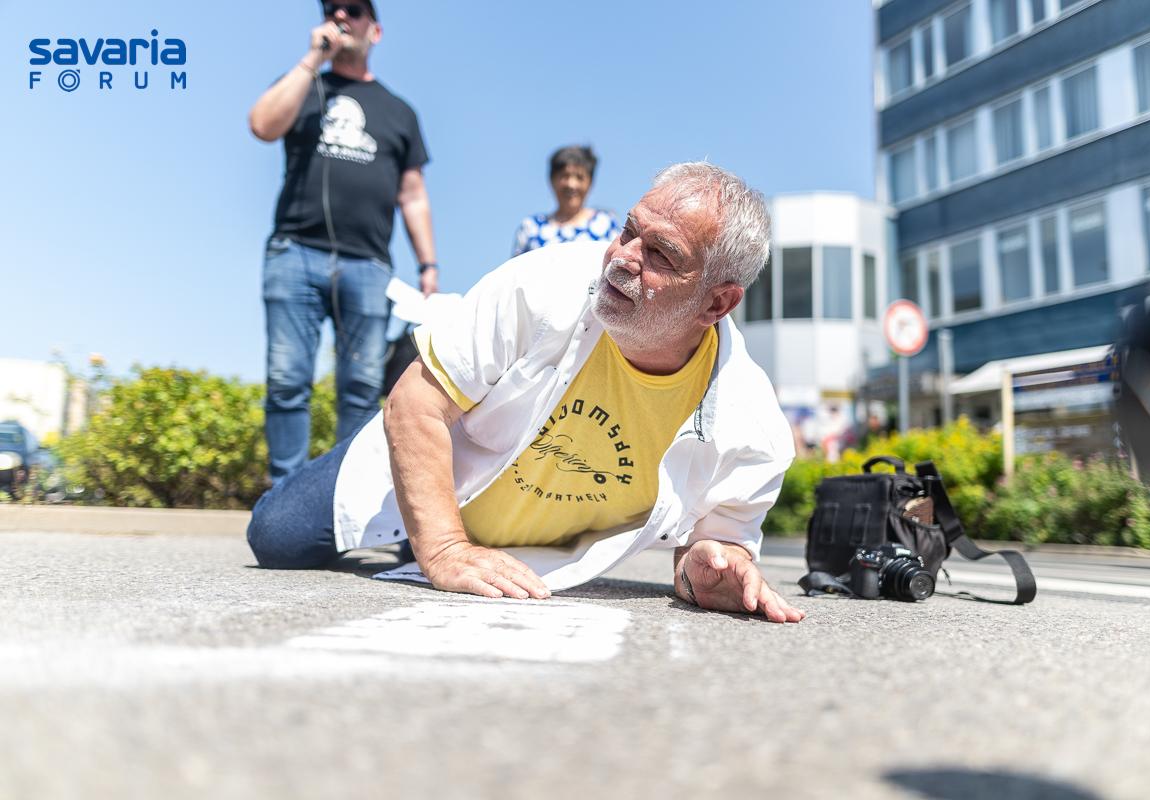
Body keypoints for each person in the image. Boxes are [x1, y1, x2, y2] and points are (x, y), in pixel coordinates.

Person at [248, 162, 805, 624]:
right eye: (628, 230)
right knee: (277, 536)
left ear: (717, 303)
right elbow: (414, 404)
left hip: (527, 547)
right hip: (435, 463)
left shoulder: (750, 424)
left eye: (661, 254)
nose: (624, 257)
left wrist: (708, 568)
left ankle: (420, 533)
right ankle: (420, 524)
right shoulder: (541, 283)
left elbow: (713, 549)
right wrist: (443, 549)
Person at [249, 0, 439, 481]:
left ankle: (342, 497)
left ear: (375, 30)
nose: (340, 16)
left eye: (353, 10)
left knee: (361, 385)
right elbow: (262, 125)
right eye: (332, 9)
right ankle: (285, 496)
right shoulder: (303, 84)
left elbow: (413, 195)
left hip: (368, 266)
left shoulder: (400, 112)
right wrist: (314, 57)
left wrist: (428, 265)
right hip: (294, 253)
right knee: (287, 380)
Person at [512, 146, 621, 257]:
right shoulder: (531, 228)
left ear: (590, 183)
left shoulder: (606, 224)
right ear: (552, 180)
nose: (571, 184)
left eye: (579, 177)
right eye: (564, 176)